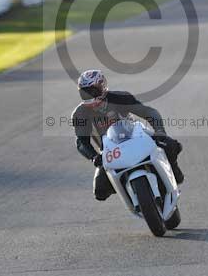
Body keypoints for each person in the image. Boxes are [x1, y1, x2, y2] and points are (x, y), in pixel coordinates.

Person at [72, 69, 184, 201]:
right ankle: (129, 189)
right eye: (84, 92)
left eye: (92, 90)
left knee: (171, 145)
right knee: (100, 191)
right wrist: (94, 157)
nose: (89, 95)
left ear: (102, 87)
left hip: (137, 136)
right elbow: (81, 142)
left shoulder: (120, 97)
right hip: (110, 150)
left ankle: (174, 172)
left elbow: (148, 112)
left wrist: (160, 131)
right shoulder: (79, 114)